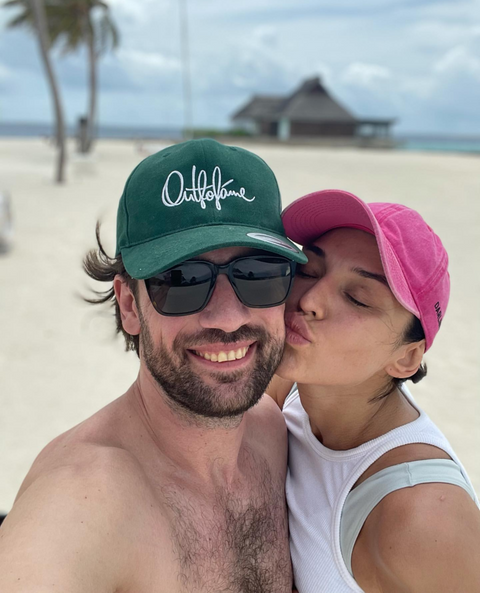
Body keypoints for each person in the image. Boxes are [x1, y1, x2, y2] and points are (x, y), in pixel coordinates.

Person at [0, 139, 307, 592]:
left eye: (259, 274)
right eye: (182, 281)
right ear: (129, 305)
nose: (227, 317)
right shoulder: (81, 501)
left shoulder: (277, 434)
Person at [268, 189, 480, 593]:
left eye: (357, 298)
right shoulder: (296, 380)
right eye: (309, 270)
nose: (309, 300)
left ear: (406, 358)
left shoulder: (421, 516)